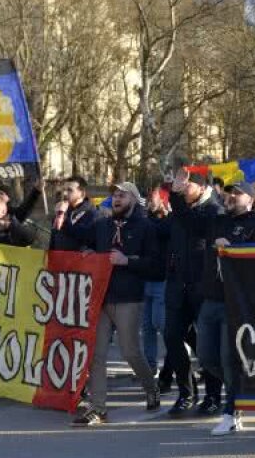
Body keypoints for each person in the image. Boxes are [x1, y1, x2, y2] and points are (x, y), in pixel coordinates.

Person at [59, 181, 162, 426]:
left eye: (122, 195)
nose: (116, 199)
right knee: (96, 353)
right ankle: (98, 408)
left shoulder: (145, 227)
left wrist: (127, 261)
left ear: (134, 199)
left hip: (128, 297)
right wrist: (87, 249)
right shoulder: (103, 225)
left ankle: (151, 388)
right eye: (114, 195)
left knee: (130, 351)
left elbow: (155, 265)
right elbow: (78, 236)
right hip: (102, 296)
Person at [199, 181, 255, 435]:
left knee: (228, 359)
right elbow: (188, 218)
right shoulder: (217, 220)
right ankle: (241, 390)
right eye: (230, 192)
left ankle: (232, 412)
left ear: (251, 200)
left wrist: (233, 248)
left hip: (236, 303)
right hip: (211, 299)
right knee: (206, 357)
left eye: (238, 194)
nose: (231, 196)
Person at [158, 169, 226, 416]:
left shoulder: (214, 211)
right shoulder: (179, 211)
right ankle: (186, 392)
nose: (182, 189)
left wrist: (174, 196)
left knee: (206, 344)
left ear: (202, 187)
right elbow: (163, 234)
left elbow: (194, 225)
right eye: (180, 185)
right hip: (177, 287)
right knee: (172, 337)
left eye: (187, 185)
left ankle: (213, 395)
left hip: (203, 288)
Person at [140, 187, 170, 374]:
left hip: (162, 280)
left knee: (160, 322)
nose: (149, 202)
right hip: (146, 279)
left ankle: (173, 360)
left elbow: (160, 230)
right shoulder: (146, 219)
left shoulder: (168, 221)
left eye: (153, 199)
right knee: (147, 326)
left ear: (163, 200)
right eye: (149, 198)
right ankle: (150, 366)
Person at [49, 176, 101, 251]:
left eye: (70, 190)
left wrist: (63, 221)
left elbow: (84, 236)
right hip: (59, 257)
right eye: (64, 190)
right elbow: (54, 239)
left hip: (79, 257)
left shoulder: (92, 213)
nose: (65, 193)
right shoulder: (63, 210)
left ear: (82, 194)